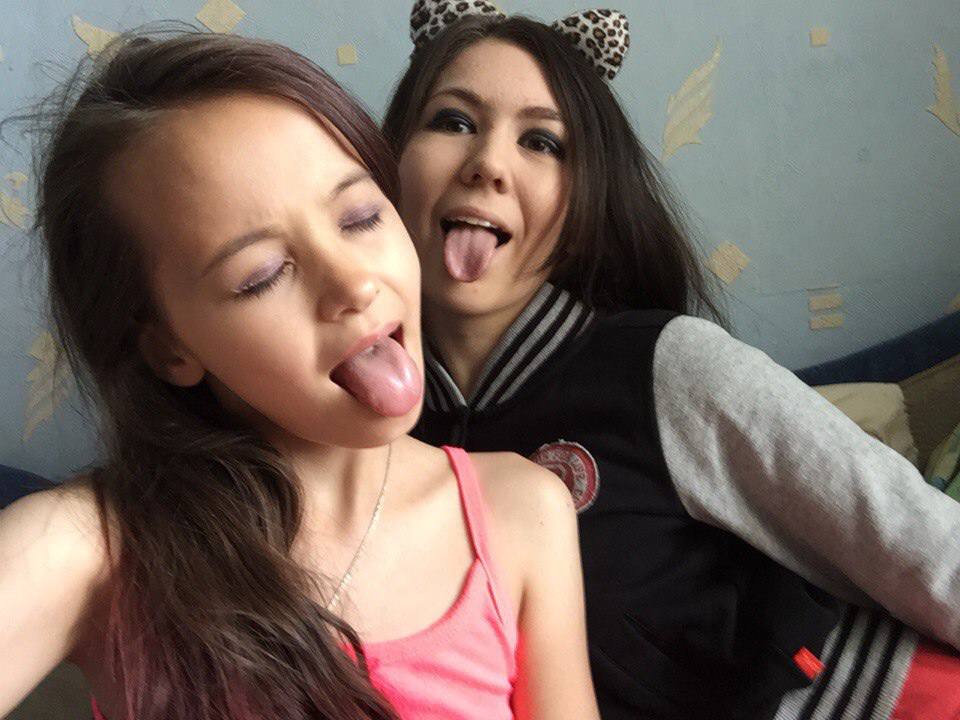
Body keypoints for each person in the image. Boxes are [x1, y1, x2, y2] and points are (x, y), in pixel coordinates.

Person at [382, 5, 960, 719]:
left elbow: (927, 550)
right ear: (386, 168)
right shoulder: (374, 434)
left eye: (541, 141)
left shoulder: (670, 368)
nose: (488, 164)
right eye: (454, 121)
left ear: (584, 205)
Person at [0, 32, 600, 720]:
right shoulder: (94, 548)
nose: (354, 282)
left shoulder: (524, 510)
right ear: (169, 347)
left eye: (362, 216)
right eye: (262, 275)